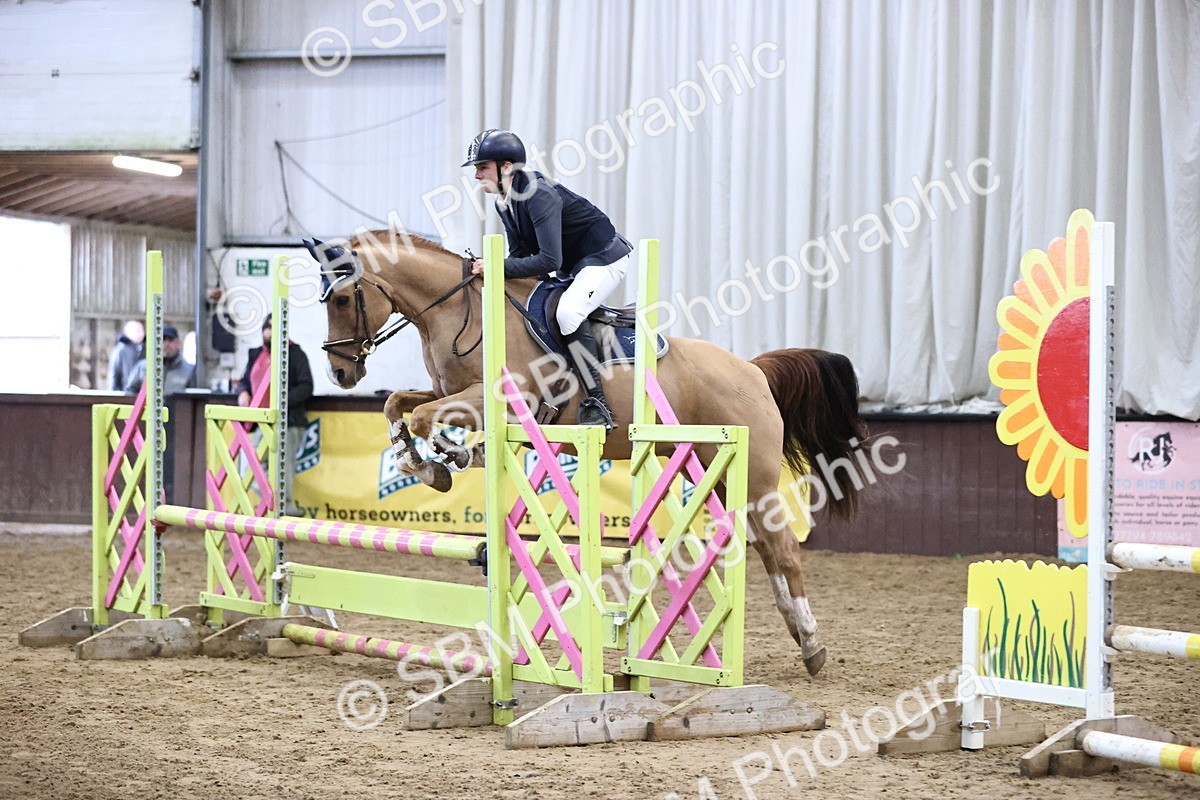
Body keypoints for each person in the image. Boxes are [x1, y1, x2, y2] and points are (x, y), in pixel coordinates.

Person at [463, 128, 631, 429]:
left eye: (482, 167)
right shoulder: (505, 200)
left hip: (604, 259)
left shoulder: (538, 195)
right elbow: (522, 255)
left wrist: (497, 267)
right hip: (573, 267)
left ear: (506, 167)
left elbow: (548, 260)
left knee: (568, 314)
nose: (476, 175)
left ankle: (597, 404)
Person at [237, 314, 313, 516]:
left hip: (287, 421)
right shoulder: (256, 354)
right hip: (261, 420)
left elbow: (306, 386)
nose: (268, 332)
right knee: (252, 467)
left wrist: (280, 403)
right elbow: (245, 379)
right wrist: (243, 391)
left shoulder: (295, 354)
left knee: (282, 466)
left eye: (274, 328)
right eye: (267, 327)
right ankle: (275, 504)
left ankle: (284, 507)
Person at [123, 325, 198, 395]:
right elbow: (129, 392)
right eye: (162, 340)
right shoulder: (143, 367)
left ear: (178, 343)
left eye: (170, 340)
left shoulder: (189, 370)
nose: (166, 344)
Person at [108, 319, 145, 391]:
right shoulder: (120, 350)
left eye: (142, 330)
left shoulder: (144, 349)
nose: (141, 334)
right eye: (137, 331)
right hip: (125, 392)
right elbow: (114, 374)